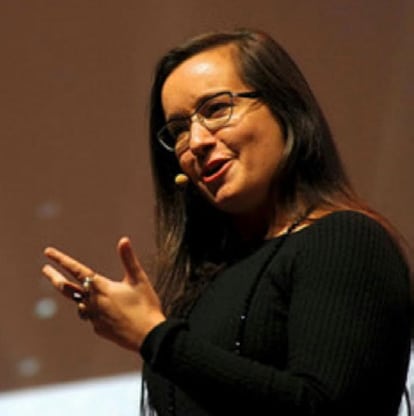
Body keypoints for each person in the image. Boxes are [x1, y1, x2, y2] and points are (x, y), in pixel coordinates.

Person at [42, 28, 412, 415]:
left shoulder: (346, 240)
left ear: (285, 108)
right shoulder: (203, 283)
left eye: (216, 109)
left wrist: (156, 337)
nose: (196, 141)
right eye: (179, 130)